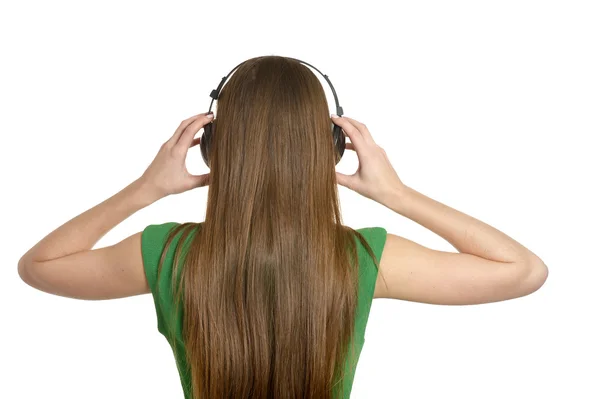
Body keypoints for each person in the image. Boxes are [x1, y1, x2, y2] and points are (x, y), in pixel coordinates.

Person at [18, 55, 548, 399]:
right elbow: (522, 271)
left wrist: (146, 188)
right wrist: (396, 194)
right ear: (332, 147)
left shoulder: (165, 253)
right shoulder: (365, 259)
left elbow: (39, 267)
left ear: (213, 147)